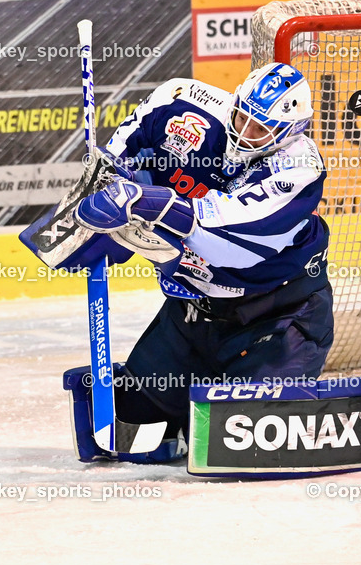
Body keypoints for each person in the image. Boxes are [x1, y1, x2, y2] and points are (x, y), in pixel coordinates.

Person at [63, 62, 334, 463]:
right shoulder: (184, 105)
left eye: (260, 129)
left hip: (275, 323)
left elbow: (227, 241)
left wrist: (143, 201)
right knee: (129, 419)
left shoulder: (300, 168)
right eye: (242, 116)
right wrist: (99, 194)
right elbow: (124, 155)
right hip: (191, 317)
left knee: (239, 442)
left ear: (290, 131)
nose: (245, 132)